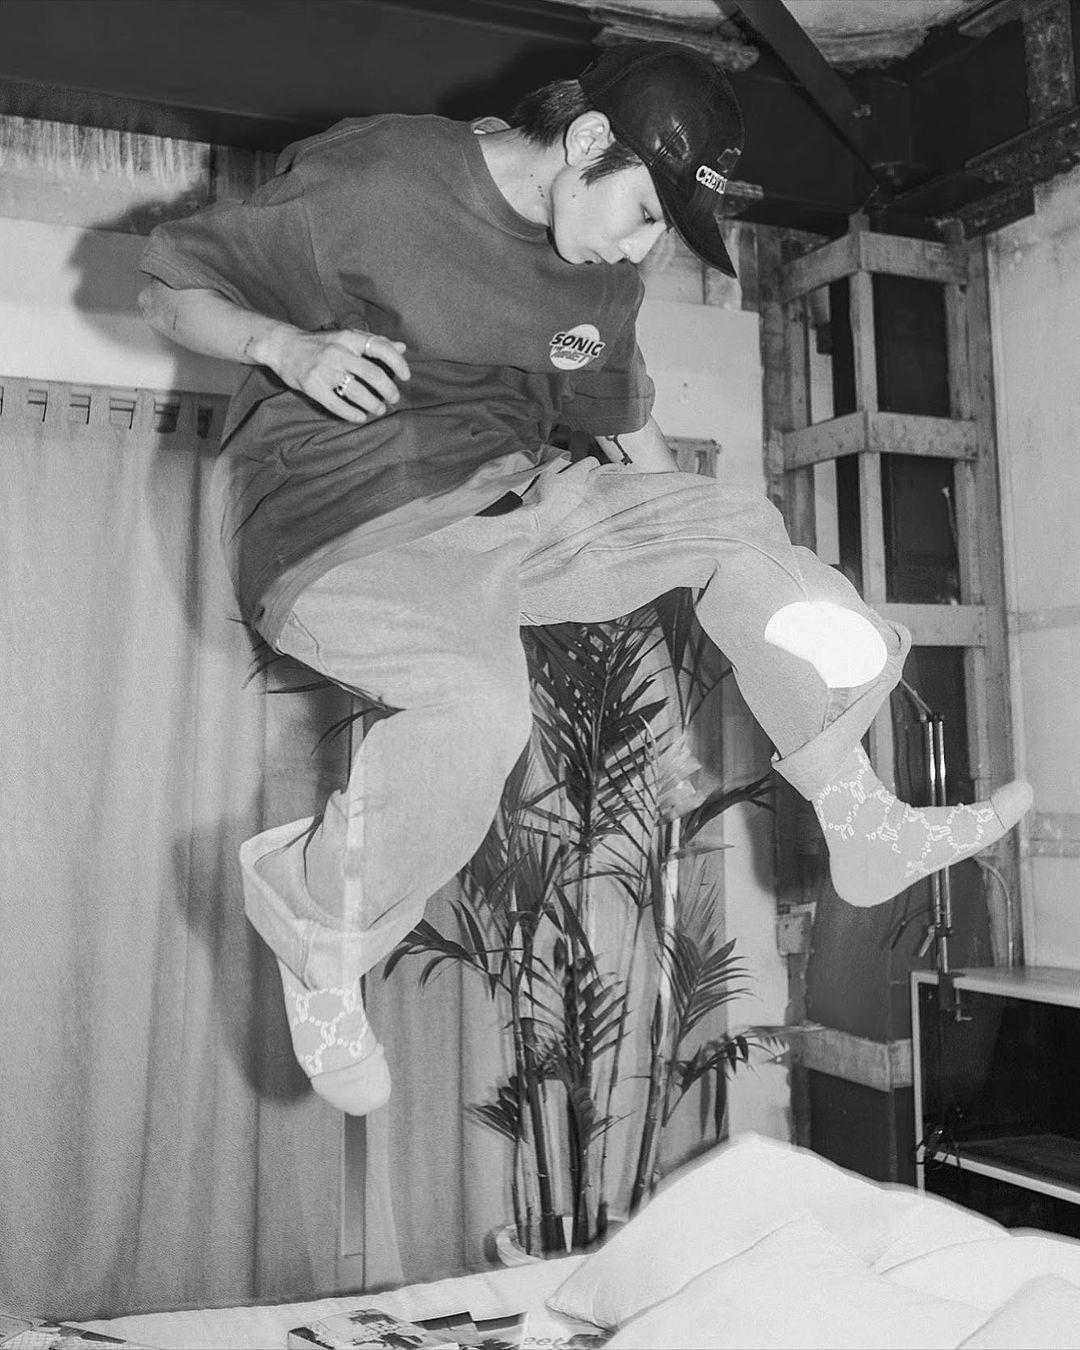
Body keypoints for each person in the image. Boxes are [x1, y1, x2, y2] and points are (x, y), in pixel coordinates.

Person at [138, 41, 1032, 1117]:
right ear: (590, 140)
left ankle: (859, 815)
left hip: (513, 516)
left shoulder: (602, 281)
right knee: (478, 711)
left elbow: (627, 433)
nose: (642, 251)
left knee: (733, 523)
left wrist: (697, 545)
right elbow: (170, 289)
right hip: (337, 529)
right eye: (645, 214)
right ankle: (314, 926)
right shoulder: (381, 180)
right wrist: (285, 347)